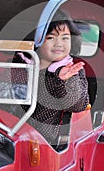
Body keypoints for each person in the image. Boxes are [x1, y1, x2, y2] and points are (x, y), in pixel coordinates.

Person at [24, 9, 90, 145]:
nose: (59, 44)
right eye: (51, 38)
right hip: (10, 132)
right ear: (36, 40)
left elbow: (78, 104)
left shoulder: (72, 70)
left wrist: (60, 81)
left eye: (65, 38)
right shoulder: (21, 65)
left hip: (46, 141)